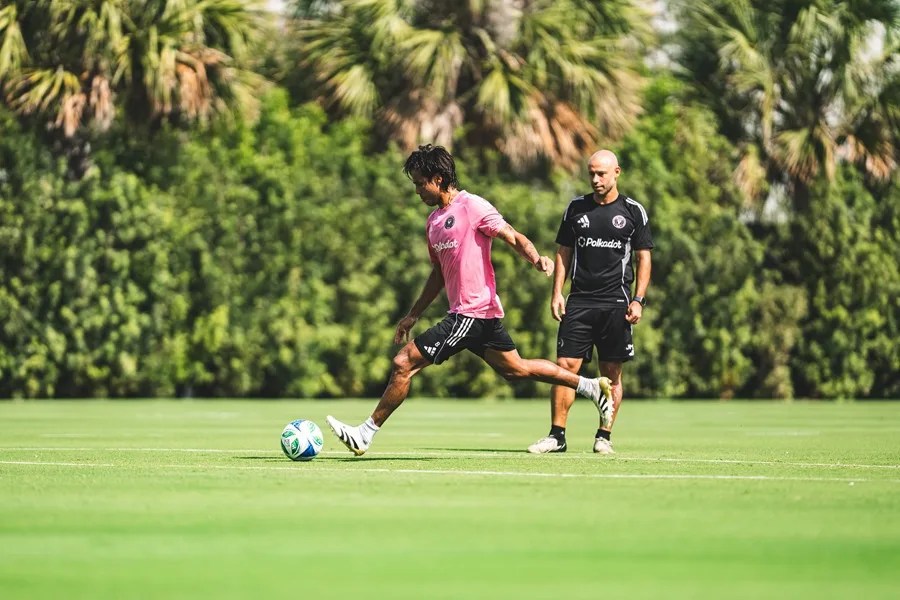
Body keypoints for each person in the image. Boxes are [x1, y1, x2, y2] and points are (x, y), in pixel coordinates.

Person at [326, 144, 612, 456]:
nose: (417, 191)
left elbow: (512, 235)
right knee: (516, 369)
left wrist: (536, 259)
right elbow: (438, 274)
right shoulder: (433, 222)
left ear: (438, 179)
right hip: (478, 316)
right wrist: (413, 315)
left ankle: (364, 434)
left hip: (470, 313)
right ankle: (590, 387)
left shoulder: (471, 205)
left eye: (420, 183)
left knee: (403, 362)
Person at [527, 149, 653, 455]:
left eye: (601, 174)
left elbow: (644, 258)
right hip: (579, 302)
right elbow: (563, 252)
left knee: (612, 372)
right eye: (591, 174)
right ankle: (557, 436)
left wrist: (638, 299)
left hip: (616, 303)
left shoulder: (633, 211)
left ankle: (604, 436)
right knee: (564, 367)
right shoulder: (576, 208)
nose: (596, 179)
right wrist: (557, 293)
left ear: (616, 173)